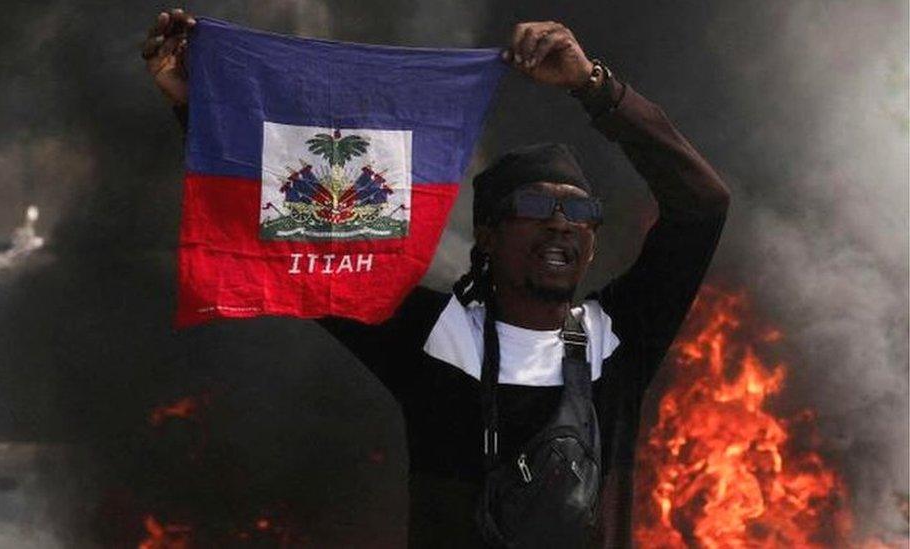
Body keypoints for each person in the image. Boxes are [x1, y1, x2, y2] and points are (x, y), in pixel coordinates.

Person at [143, 9, 730, 547]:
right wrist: (198, 108)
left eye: (579, 212)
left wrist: (594, 86)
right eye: (534, 205)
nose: (560, 225)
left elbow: (702, 203)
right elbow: (291, 234)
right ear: (490, 236)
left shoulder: (617, 341)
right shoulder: (432, 338)